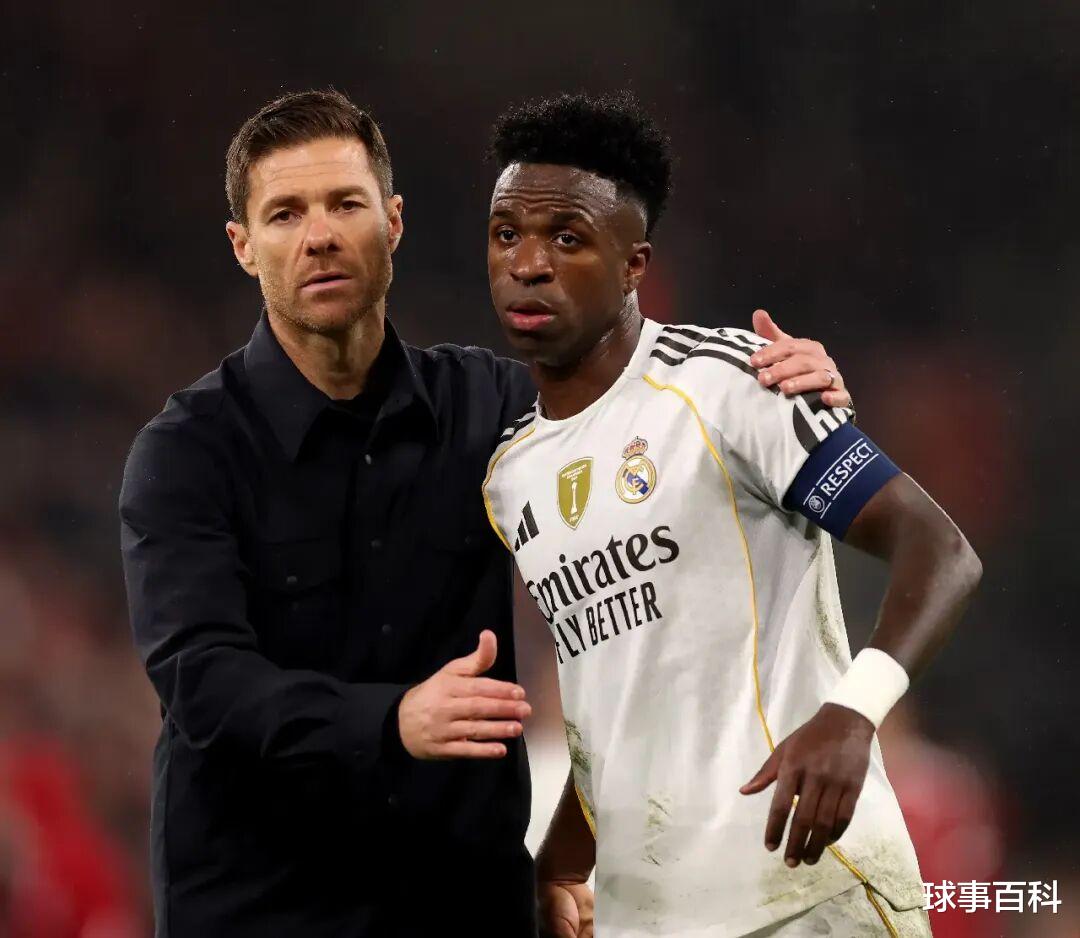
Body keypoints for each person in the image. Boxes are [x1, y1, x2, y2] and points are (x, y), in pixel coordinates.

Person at [119, 88, 854, 937]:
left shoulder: (496, 410)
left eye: (345, 204)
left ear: (394, 223)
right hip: (261, 910)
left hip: (464, 905)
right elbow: (202, 681)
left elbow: (664, 423)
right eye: (285, 213)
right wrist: (390, 720)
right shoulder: (187, 452)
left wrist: (786, 390)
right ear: (243, 246)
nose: (319, 235)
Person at [481, 92, 982, 937]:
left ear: (634, 264)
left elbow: (940, 549)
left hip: (807, 891)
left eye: (566, 238)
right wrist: (562, 859)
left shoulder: (734, 383)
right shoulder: (511, 475)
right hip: (649, 917)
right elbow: (619, 698)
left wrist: (854, 712)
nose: (527, 263)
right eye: (506, 235)